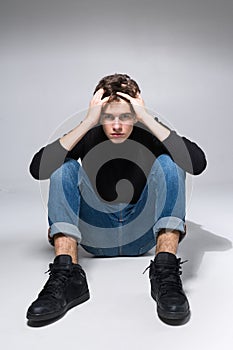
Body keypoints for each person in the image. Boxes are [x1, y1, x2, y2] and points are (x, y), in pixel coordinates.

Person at [26, 73, 207, 325]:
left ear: (135, 114)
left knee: (170, 163)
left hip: (142, 236)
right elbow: (38, 169)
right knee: (63, 166)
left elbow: (197, 163)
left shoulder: (148, 131)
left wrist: (146, 118)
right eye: (109, 117)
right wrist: (88, 123)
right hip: (94, 234)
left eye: (125, 116)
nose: (117, 125)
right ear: (100, 116)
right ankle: (67, 274)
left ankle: (165, 271)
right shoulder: (90, 132)